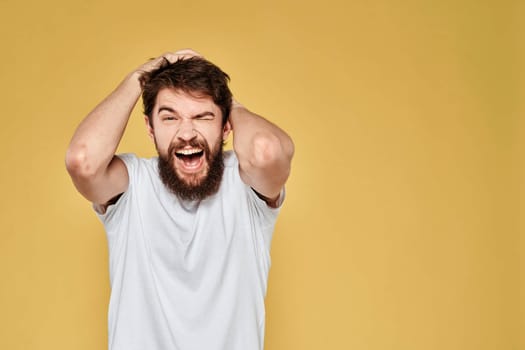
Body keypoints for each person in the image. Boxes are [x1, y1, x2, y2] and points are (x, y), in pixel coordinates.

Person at [65, 49, 294, 350]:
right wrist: (140, 77)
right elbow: (82, 161)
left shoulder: (244, 184)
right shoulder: (134, 184)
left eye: (203, 116)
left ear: (226, 126)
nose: (187, 133)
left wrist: (230, 103)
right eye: (170, 117)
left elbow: (267, 151)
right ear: (150, 127)